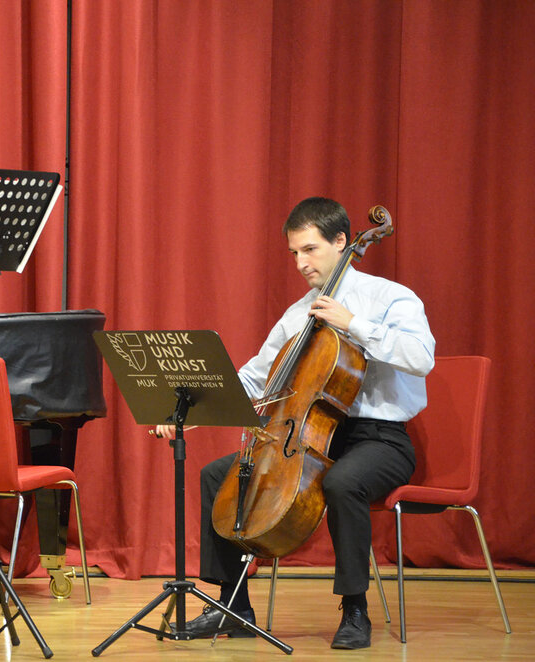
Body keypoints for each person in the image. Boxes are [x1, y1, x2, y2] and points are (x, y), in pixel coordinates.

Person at [155, 197, 434, 650]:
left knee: (343, 482)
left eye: (310, 249)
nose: (301, 263)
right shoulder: (297, 314)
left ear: (341, 241)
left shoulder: (389, 298)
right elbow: (256, 376)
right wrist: (191, 409)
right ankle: (233, 607)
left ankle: (355, 608)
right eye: (294, 253)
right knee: (216, 476)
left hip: (379, 440)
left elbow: (421, 358)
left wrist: (354, 324)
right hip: (306, 436)